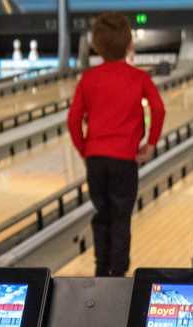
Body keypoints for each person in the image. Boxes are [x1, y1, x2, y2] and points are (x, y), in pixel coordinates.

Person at [67, 12, 165, 277]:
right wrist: (151, 144)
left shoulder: (88, 78)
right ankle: (118, 275)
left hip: (96, 160)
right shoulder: (139, 78)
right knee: (121, 218)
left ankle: (101, 271)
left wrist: (85, 151)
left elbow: (73, 120)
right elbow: (158, 109)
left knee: (102, 216)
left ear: (95, 46)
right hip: (124, 159)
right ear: (130, 44)